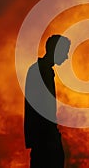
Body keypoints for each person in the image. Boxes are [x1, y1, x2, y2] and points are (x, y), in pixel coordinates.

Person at [24, 35, 71, 168]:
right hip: (45, 139)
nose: (67, 56)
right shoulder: (43, 71)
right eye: (65, 51)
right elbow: (45, 109)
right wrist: (52, 137)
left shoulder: (37, 69)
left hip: (41, 138)